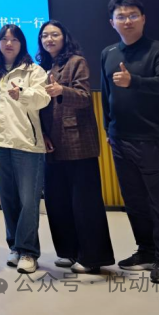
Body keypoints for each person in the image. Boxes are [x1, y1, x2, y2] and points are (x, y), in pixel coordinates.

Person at [101, 0, 159, 284]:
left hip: (154, 139)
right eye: (121, 17)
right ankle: (146, 250)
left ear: (143, 19)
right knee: (134, 202)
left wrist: (134, 81)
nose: (127, 21)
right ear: (112, 23)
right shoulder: (108, 53)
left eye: (133, 15)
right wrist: (108, 129)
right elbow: (106, 95)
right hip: (120, 139)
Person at [37, 20, 114, 273]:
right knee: (57, 201)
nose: (49, 39)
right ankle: (69, 252)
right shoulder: (42, 68)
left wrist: (61, 89)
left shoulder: (76, 62)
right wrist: (43, 135)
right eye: (45, 35)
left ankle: (92, 257)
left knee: (85, 203)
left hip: (78, 141)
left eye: (54, 35)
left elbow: (84, 97)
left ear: (64, 38)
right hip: (52, 143)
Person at [0, 24, 50, 274]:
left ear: (22, 43)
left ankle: (29, 251)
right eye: (4, 39)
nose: (8, 43)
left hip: (27, 143)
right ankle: (15, 247)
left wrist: (21, 93)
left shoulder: (34, 70)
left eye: (14, 39)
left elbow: (43, 98)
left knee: (29, 201)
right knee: (9, 199)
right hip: (0, 143)